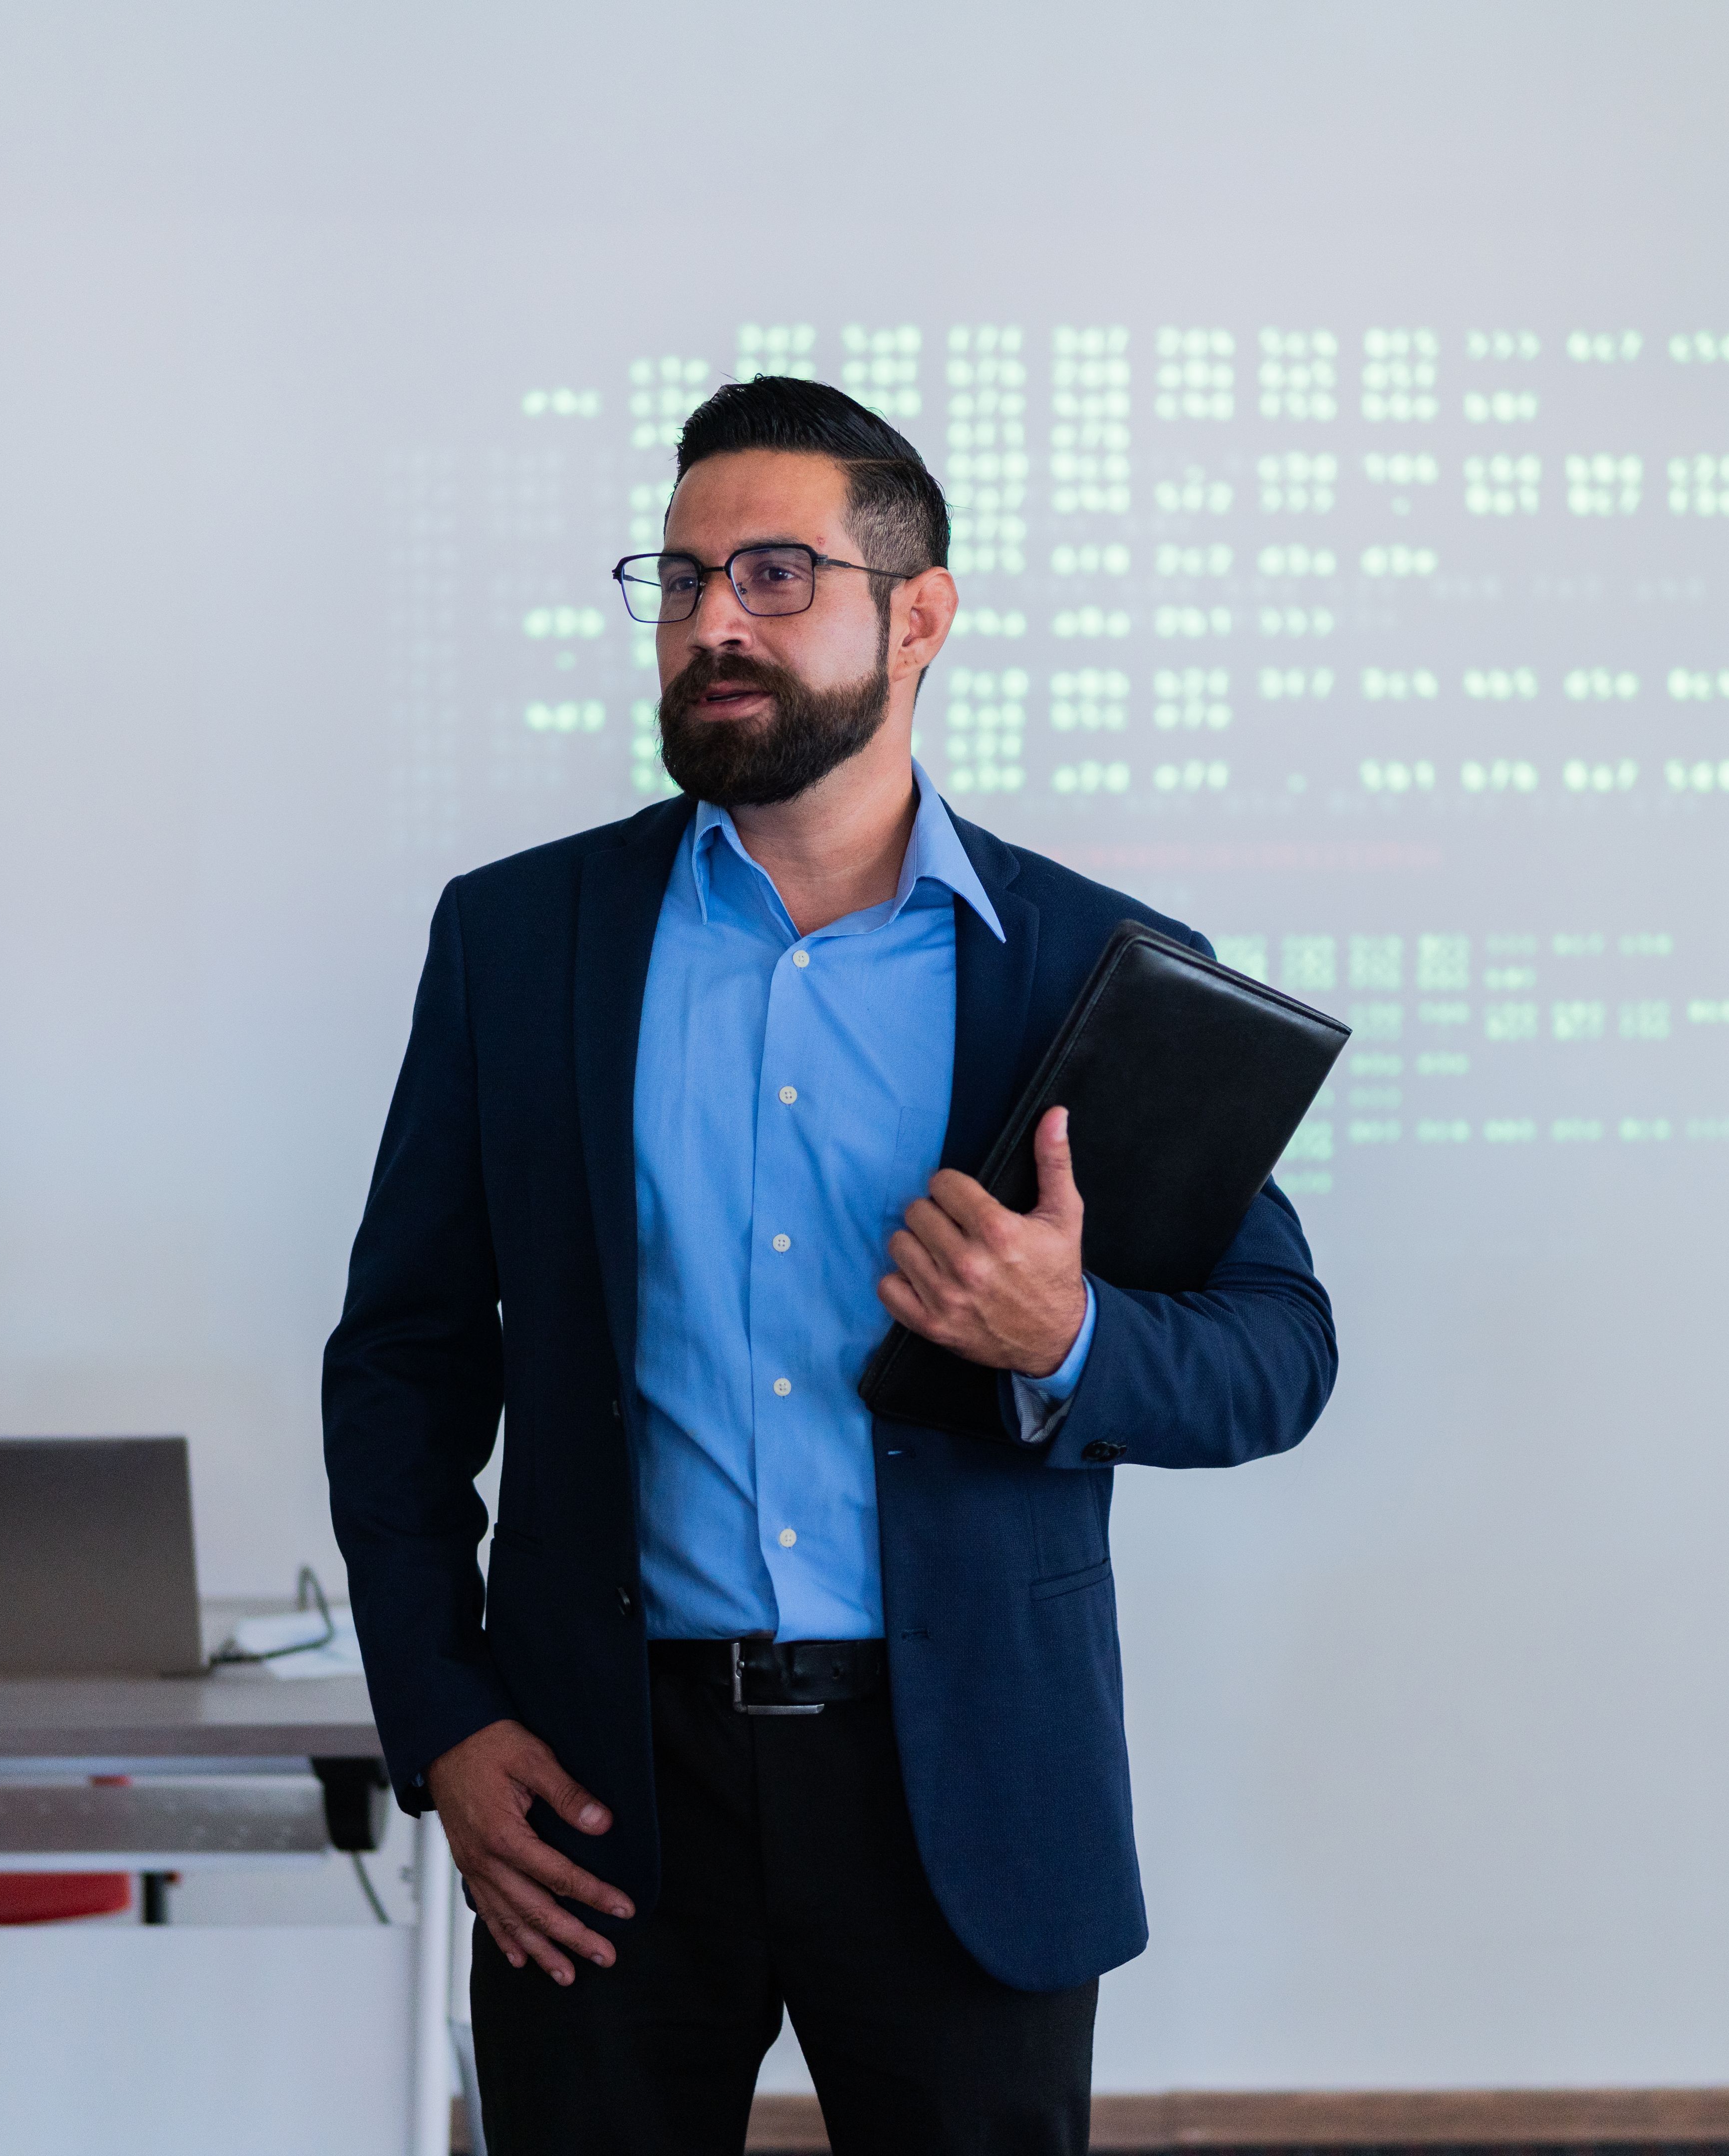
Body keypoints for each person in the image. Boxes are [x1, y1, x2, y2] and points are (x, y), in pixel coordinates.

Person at [323, 375, 1334, 2154]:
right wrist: (445, 1716)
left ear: (920, 616)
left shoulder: (1094, 967)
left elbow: (1277, 1352)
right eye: (685, 578)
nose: (715, 622)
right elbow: (404, 1361)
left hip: (965, 1788)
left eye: (778, 576)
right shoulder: (519, 942)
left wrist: (1066, 1333)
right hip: (598, 1791)